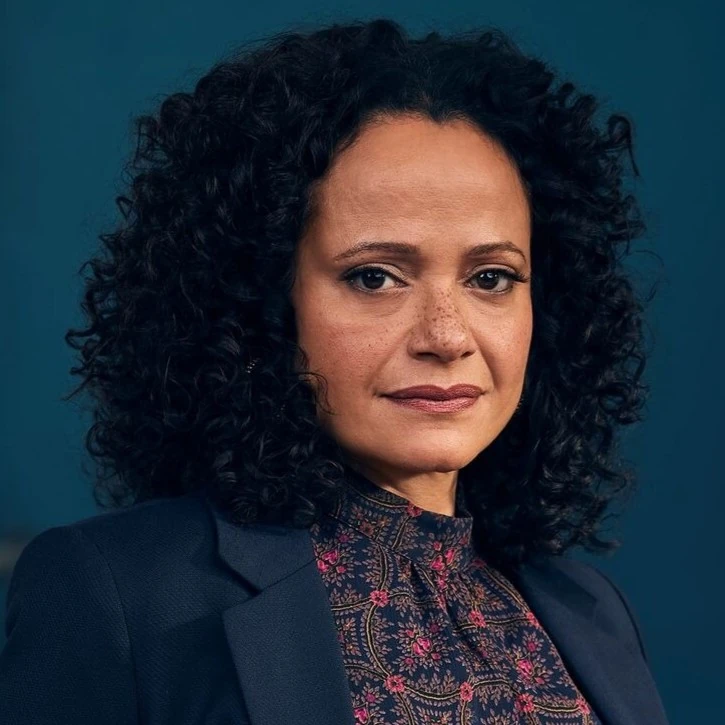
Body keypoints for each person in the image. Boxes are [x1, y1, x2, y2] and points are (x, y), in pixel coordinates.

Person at [0, 17, 669, 724]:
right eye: (375, 276)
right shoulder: (120, 593)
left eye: (492, 278)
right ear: (259, 300)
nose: (447, 337)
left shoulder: (591, 610)